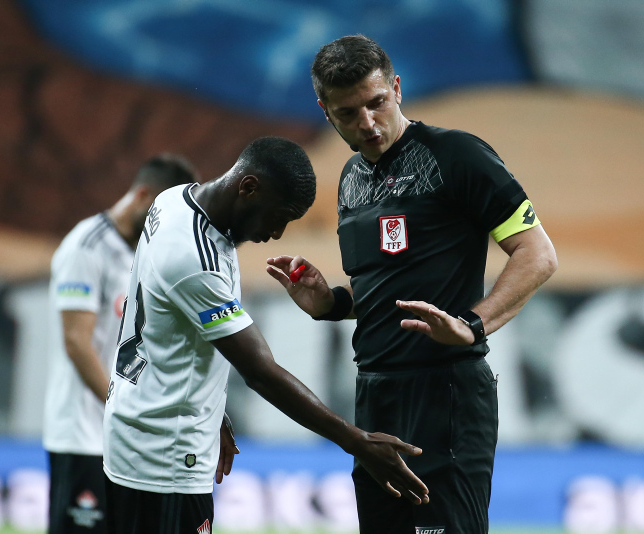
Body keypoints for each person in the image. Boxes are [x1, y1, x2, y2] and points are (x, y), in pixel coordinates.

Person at [266, 35, 558, 533]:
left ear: (397, 88)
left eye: (376, 102)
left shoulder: (456, 155)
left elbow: (538, 254)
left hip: (445, 391)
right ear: (325, 111)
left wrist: (472, 325)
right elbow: (389, 289)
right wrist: (331, 302)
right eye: (348, 113)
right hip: (374, 397)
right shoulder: (352, 178)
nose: (367, 123)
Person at [102, 137, 429, 534]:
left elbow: (169, 326)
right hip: (163, 457)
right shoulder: (194, 258)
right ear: (249, 187)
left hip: (143, 432)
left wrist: (209, 408)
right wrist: (358, 442)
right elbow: (260, 371)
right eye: (278, 217)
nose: (276, 233)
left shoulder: (174, 201)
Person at [44, 154, 200, 534]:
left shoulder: (143, 253)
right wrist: (120, 408)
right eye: (161, 211)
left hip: (126, 441)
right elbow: (76, 341)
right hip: (83, 433)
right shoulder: (86, 246)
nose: (166, 223)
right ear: (143, 195)